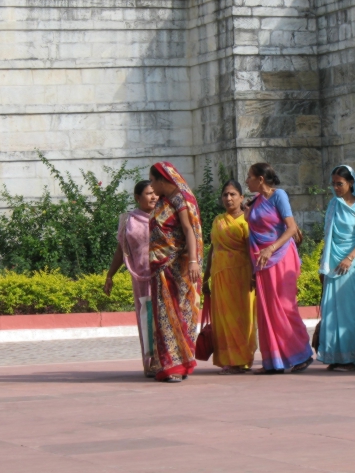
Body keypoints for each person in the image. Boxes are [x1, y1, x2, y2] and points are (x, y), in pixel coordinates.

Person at [245, 162, 314, 374]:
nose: (247, 180)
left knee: (284, 307)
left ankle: (302, 354)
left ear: (261, 179)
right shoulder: (255, 201)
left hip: (281, 257)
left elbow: (292, 227)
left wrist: (270, 249)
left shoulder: (279, 196)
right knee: (267, 310)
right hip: (263, 262)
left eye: (250, 177)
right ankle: (274, 361)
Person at [148, 162, 204, 383]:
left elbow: (189, 230)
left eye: (152, 181)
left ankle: (178, 366)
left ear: (162, 180)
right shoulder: (163, 202)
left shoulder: (181, 199)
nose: (151, 186)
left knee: (179, 314)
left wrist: (193, 261)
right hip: (160, 268)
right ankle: (169, 364)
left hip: (178, 266)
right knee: (163, 317)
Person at [317, 165, 355, 371]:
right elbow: (328, 236)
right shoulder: (334, 203)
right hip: (334, 264)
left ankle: (351, 358)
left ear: (351, 183)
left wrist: (350, 258)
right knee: (333, 311)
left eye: (339, 184)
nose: (336, 188)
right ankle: (336, 356)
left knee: (351, 312)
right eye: (333, 184)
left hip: (353, 264)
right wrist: (323, 265)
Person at [104, 180, 159, 377]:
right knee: (146, 316)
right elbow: (121, 249)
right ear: (137, 197)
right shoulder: (129, 220)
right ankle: (150, 362)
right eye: (148, 193)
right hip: (141, 277)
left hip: (163, 276)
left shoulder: (164, 217)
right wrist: (110, 275)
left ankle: (167, 360)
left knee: (163, 318)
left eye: (155, 193)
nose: (153, 197)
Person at [203, 180, 257, 374]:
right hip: (220, 276)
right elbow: (213, 249)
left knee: (243, 318)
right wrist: (206, 276)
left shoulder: (248, 220)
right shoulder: (218, 220)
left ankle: (242, 360)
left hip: (242, 276)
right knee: (223, 320)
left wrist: (254, 274)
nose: (228, 198)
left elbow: (253, 250)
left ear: (241, 197)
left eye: (233, 194)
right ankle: (228, 360)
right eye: (225, 194)